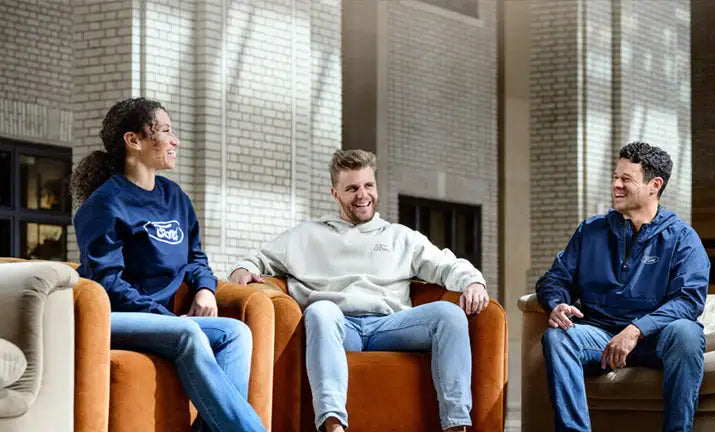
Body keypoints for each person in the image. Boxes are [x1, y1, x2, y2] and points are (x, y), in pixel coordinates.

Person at [230, 149, 489, 432]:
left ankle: (456, 425)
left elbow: (447, 265)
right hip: (339, 327)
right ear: (335, 193)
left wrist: (472, 281)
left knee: (449, 315)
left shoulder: (399, 236)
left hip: (390, 326)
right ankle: (333, 424)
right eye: (351, 188)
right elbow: (255, 259)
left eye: (368, 185)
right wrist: (241, 271)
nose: (362, 195)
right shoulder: (306, 236)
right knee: (321, 311)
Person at [71, 97, 266, 432]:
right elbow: (108, 284)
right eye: (164, 131)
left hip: (168, 321)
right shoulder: (104, 205)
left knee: (236, 333)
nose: (175, 140)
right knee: (189, 332)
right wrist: (169, 319)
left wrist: (205, 289)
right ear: (133, 141)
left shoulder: (175, 197)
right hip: (116, 318)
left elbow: (195, 257)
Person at [536, 142, 710, 432]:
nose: (615, 185)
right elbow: (555, 278)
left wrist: (636, 329)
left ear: (655, 185)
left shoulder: (682, 238)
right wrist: (556, 302)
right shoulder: (590, 230)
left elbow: (688, 300)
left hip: (655, 339)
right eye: (615, 177)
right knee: (559, 337)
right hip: (600, 335)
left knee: (687, 334)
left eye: (626, 179)